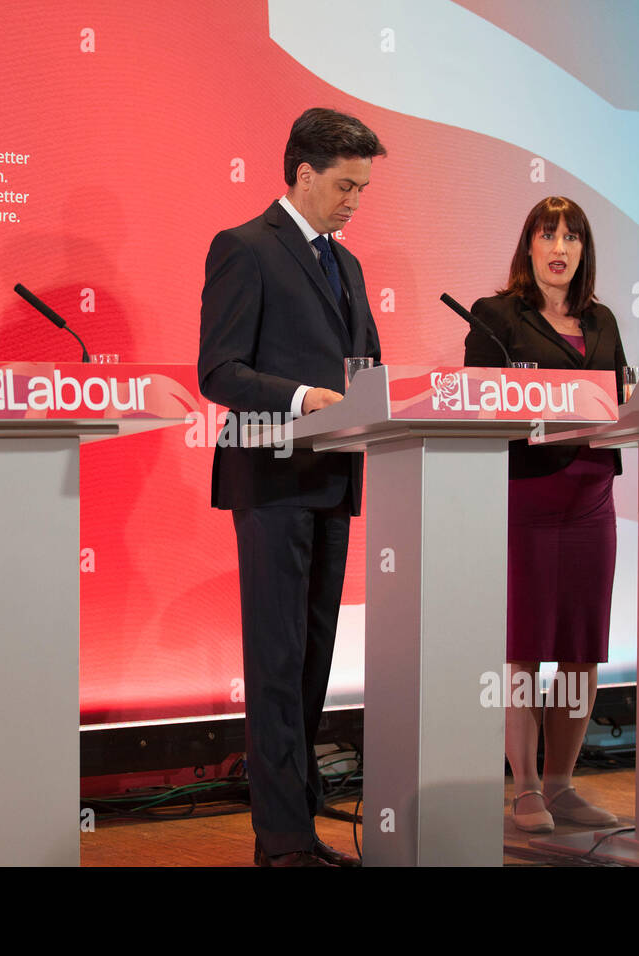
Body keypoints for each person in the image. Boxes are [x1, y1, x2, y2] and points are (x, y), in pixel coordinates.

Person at [198, 107, 384, 866]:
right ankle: (281, 842)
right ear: (303, 173)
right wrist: (306, 398)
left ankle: (298, 826)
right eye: (344, 186)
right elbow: (219, 370)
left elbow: (365, 365)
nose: (353, 202)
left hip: (333, 478)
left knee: (311, 661)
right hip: (273, 479)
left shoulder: (349, 263)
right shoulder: (244, 248)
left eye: (363, 189)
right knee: (277, 661)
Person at [464, 196, 626, 833]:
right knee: (526, 646)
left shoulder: (604, 319)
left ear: (584, 251)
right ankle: (525, 787)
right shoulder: (496, 315)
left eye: (572, 237)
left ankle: (561, 783)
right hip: (525, 496)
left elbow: (621, 394)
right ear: (528, 245)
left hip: (593, 497)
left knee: (581, 648)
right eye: (547, 234)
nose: (560, 248)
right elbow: (475, 403)